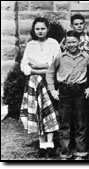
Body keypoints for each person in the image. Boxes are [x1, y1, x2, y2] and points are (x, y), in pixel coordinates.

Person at [46, 30, 89, 160]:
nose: (72, 44)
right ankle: (65, 152)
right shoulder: (60, 57)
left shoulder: (86, 57)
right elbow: (50, 73)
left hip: (79, 91)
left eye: (74, 42)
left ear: (79, 42)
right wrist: (52, 90)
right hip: (64, 91)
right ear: (65, 43)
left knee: (80, 122)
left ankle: (80, 152)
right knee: (65, 123)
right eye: (69, 42)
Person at [20, 17, 60, 158]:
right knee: (38, 113)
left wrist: (36, 66)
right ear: (34, 30)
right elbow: (24, 66)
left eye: (43, 28)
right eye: (37, 29)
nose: (40, 31)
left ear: (47, 29)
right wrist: (41, 67)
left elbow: (55, 64)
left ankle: (50, 145)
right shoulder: (31, 45)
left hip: (49, 82)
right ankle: (42, 145)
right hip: (34, 82)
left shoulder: (53, 43)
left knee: (49, 112)